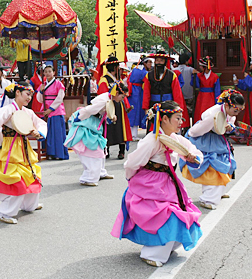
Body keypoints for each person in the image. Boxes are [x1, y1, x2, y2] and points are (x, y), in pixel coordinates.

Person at [111, 100, 203, 267]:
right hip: (150, 183)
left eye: (181, 118)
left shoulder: (176, 139)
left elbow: (193, 150)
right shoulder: (151, 140)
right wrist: (133, 181)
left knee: (179, 214)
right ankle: (151, 253)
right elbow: (132, 163)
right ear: (164, 119)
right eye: (177, 118)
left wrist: (194, 157)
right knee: (164, 215)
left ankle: (167, 245)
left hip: (168, 183)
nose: (181, 122)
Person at [0, 81, 46, 224]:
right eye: (27, 94)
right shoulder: (7, 109)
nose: (29, 98)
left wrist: (38, 132)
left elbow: (40, 123)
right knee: (16, 179)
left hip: (22, 147)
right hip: (9, 148)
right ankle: (5, 212)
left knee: (32, 175)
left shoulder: (28, 112)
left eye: (31, 95)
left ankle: (29, 205)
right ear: (17, 93)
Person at [180, 89, 244, 210]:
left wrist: (230, 128)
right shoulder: (213, 114)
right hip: (206, 140)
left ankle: (218, 192)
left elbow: (230, 122)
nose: (236, 113)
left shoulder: (228, 112)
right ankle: (208, 199)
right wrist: (189, 138)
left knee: (224, 164)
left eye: (239, 110)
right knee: (212, 168)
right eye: (235, 110)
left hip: (218, 139)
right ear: (226, 105)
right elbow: (195, 131)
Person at [64, 86, 127, 185]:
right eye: (122, 97)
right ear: (117, 93)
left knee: (100, 148)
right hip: (85, 122)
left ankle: (100, 172)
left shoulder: (108, 98)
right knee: (92, 150)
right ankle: (89, 177)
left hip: (93, 123)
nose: (123, 99)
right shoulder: (104, 100)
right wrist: (79, 119)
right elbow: (89, 110)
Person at [142, 51, 190, 130]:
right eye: (157, 60)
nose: (159, 63)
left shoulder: (172, 75)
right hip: (154, 105)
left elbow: (177, 94)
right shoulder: (149, 75)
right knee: (153, 129)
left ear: (165, 62)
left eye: (161, 60)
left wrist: (178, 108)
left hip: (169, 106)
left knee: (168, 128)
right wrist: (146, 108)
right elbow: (146, 93)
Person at [97, 57, 132, 159]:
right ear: (115, 68)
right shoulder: (104, 80)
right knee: (108, 129)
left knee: (121, 129)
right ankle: (106, 150)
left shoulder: (118, 80)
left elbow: (123, 94)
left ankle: (121, 151)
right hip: (110, 106)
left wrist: (127, 106)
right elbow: (103, 95)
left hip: (120, 107)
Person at [36, 65, 69, 160]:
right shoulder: (42, 85)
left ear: (54, 72)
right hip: (45, 110)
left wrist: (51, 109)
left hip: (56, 110)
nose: (47, 73)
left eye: (49, 71)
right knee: (47, 133)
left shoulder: (58, 84)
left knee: (57, 133)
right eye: (46, 72)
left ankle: (59, 154)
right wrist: (41, 91)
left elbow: (60, 98)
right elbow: (39, 99)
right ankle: (48, 153)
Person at [128, 55, 152, 140]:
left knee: (132, 112)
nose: (151, 64)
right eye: (149, 62)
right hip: (137, 93)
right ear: (145, 63)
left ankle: (132, 134)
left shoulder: (136, 69)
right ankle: (133, 135)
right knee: (136, 112)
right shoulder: (144, 73)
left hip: (134, 92)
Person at [192, 56, 221, 124]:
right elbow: (196, 85)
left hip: (210, 97)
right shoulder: (199, 75)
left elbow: (217, 90)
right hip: (201, 96)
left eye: (201, 66)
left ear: (205, 67)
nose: (200, 68)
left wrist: (218, 102)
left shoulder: (215, 77)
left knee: (210, 112)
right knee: (200, 112)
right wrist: (194, 76)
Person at [178, 53, 198, 121]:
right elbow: (198, 73)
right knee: (191, 113)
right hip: (189, 94)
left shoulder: (175, 70)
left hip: (179, 95)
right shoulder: (190, 69)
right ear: (186, 61)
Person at [233, 60, 252, 125]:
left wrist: (247, 77)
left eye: (251, 65)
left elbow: (250, 84)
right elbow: (246, 86)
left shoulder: (248, 76)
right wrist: (238, 82)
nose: (250, 66)